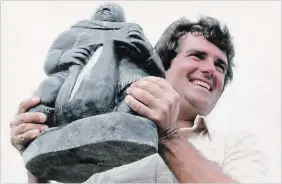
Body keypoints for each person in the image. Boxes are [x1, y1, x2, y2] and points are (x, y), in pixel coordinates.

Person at [10, 15, 268, 183]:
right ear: (162, 67)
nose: (211, 69)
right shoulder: (100, 134)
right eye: (197, 56)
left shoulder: (237, 145)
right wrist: (37, 160)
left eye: (221, 66)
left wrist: (167, 138)